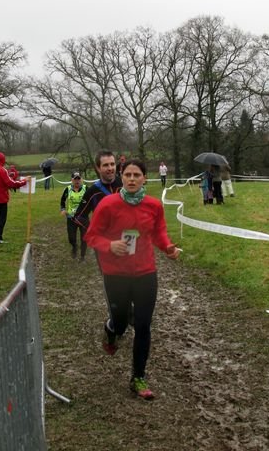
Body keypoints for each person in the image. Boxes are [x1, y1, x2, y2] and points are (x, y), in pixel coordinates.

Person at [84, 159, 181, 400]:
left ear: (144, 178)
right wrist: (109, 245)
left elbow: (159, 233)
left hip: (145, 273)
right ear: (122, 176)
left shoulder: (153, 205)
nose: (131, 179)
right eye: (127, 174)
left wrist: (168, 247)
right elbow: (91, 236)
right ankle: (111, 328)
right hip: (116, 274)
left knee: (143, 325)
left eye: (137, 175)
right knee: (120, 324)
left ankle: (138, 377)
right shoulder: (108, 204)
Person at [73, 150, 123, 230]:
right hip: (104, 236)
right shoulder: (92, 191)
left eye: (112, 164)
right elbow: (79, 216)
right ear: (98, 168)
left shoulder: (124, 184)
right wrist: (93, 230)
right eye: (106, 165)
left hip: (126, 235)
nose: (110, 168)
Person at [0, 152, 26, 244]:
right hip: (1, 199)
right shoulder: (2, 170)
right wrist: (23, 182)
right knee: (1, 218)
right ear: (2, 160)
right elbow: (11, 183)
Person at [60, 172, 87, 260]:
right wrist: (63, 209)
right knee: (71, 238)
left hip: (83, 217)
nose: (77, 181)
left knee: (84, 238)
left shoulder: (86, 188)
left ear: (81, 179)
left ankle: (82, 256)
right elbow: (62, 200)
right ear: (72, 180)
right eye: (75, 179)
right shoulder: (67, 189)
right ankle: (74, 247)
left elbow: (92, 200)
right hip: (71, 217)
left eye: (79, 178)